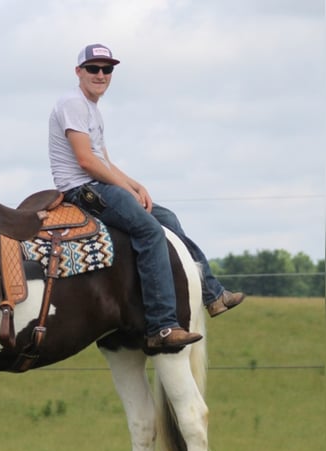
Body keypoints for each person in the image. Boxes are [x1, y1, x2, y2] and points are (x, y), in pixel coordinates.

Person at [48, 43, 244, 352]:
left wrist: (136, 185)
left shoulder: (92, 109)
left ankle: (213, 294)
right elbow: (86, 161)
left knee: (166, 219)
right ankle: (163, 326)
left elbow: (105, 161)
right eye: (93, 68)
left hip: (99, 183)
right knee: (150, 232)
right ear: (79, 72)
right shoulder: (72, 103)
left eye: (107, 69)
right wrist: (124, 189)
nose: (101, 75)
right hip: (82, 191)